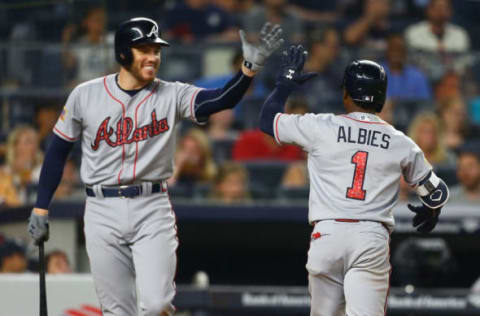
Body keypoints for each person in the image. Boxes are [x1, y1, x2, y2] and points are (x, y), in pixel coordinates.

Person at [27, 17, 283, 316]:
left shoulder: (172, 93)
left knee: (158, 305)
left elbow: (221, 100)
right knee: (116, 311)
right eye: (144, 49)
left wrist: (248, 70)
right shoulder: (85, 94)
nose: (153, 57)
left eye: (156, 50)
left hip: (151, 206)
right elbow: (58, 151)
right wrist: (41, 207)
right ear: (123, 53)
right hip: (100, 209)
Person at [259, 45, 450, 316]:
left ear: (346, 94)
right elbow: (435, 191)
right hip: (370, 238)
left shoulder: (320, 126)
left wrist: (285, 84)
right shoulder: (400, 142)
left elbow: (268, 120)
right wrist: (432, 211)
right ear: (382, 98)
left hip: (327, 234)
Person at [0, 125, 43, 207]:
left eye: (35, 142)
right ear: (16, 146)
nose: (33, 146)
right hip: (8, 212)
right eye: (28, 142)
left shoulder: (41, 169)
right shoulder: (4, 171)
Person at [381, 33, 432, 101]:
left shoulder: (418, 76)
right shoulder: (375, 74)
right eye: (393, 49)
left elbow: (424, 104)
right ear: (387, 51)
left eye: (400, 49)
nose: (396, 53)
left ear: (406, 52)